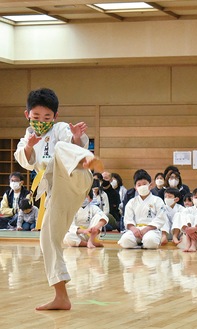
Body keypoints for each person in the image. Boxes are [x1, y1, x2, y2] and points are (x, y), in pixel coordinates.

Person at [14, 87, 104, 311]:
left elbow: (72, 141)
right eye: (36, 117)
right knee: (47, 238)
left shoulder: (61, 129)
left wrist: (75, 137)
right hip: (58, 190)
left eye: (47, 117)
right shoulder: (27, 137)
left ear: (55, 116)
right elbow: (25, 161)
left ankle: (88, 159)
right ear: (27, 115)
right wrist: (29, 147)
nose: (42, 121)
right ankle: (61, 296)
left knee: (64, 146)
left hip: (78, 176)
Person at [118, 169, 167, 249]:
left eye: (144, 184)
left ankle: (143, 244)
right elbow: (128, 219)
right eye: (139, 185)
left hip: (151, 230)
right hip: (135, 230)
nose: (142, 187)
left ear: (150, 185)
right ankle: (139, 245)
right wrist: (133, 229)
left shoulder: (157, 200)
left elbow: (161, 218)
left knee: (150, 242)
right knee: (125, 241)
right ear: (135, 188)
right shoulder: (132, 202)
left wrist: (147, 228)